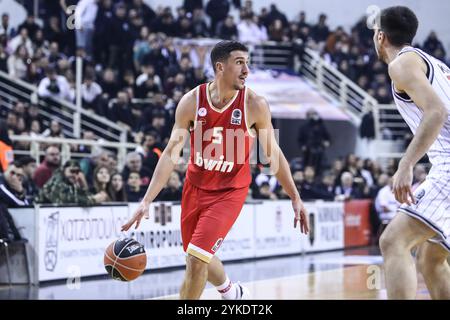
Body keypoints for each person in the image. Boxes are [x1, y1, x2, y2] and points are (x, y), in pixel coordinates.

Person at [121, 40, 309, 300]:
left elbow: (272, 153)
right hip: (195, 187)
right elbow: (170, 154)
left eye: (247, 63)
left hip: (230, 191)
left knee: (197, 259)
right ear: (220, 67)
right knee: (196, 254)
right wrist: (146, 201)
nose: (247, 70)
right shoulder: (190, 102)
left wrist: (295, 197)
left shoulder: (255, 104)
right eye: (239, 63)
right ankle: (232, 292)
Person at [373, 6, 450, 299]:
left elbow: (436, 112)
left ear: (380, 37)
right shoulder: (435, 63)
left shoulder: (401, 65)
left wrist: (405, 166)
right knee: (432, 259)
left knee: (393, 241)